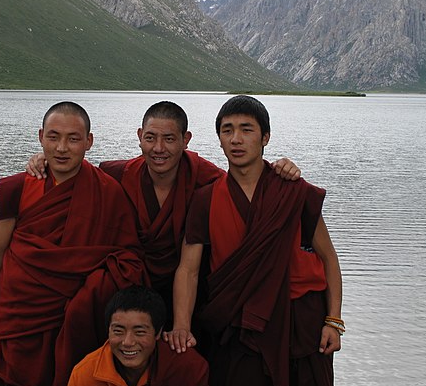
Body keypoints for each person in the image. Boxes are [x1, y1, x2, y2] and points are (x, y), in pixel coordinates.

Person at [168, 95, 345, 386]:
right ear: (218, 138)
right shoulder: (206, 199)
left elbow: (328, 259)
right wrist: (182, 326)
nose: (236, 139)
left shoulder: (294, 191)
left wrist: (333, 321)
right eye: (227, 130)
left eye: (246, 130)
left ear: (265, 137)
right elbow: (188, 270)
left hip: (302, 325)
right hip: (240, 327)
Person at [26, 100, 301, 326]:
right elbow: (78, 174)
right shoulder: (118, 175)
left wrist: (278, 169)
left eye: (169, 139)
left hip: (194, 296)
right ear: (139, 137)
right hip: (131, 293)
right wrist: (45, 161)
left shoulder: (206, 179)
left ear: (186, 140)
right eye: (150, 138)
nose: (159, 149)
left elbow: (245, 182)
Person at [0, 101, 147, 386]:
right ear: (40, 137)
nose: (62, 148)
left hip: (73, 328)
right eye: (53, 137)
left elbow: (128, 262)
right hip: (18, 324)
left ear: (89, 142)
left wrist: (88, 296)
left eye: (73, 138)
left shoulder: (108, 191)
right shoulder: (16, 188)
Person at [61, 285, 221, 386]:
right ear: (108, 331)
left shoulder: (184, 366)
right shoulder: (86, 376)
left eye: (139, 332)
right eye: (118, 331)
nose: (127, 342)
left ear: (158, 333)